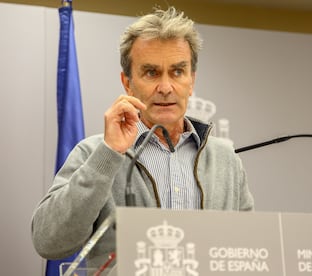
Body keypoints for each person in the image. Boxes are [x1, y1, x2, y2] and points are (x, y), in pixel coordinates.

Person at [31, 6, 254, 270]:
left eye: (177, 72)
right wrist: (108, 154)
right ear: (127, 83)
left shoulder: (225, 159)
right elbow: (49, 241)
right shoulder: (94, 152)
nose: (165, 87)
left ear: (191, 80)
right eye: (151, 72)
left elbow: (248, 251)